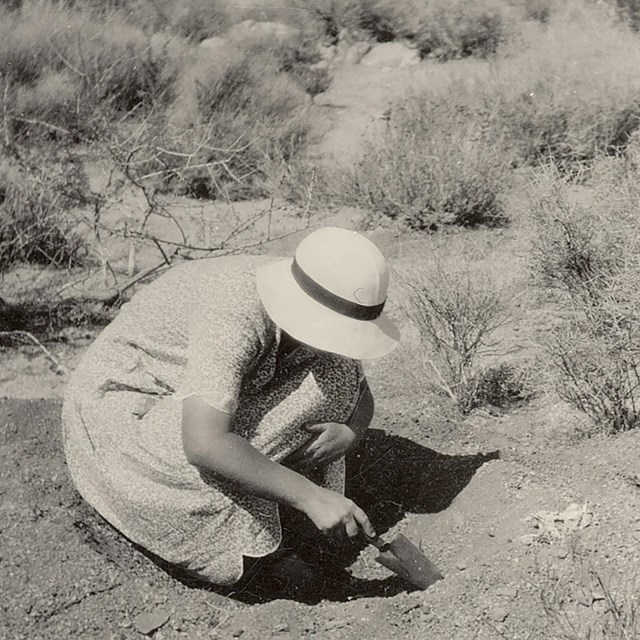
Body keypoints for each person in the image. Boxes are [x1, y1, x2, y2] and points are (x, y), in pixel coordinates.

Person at [62, 226, 400, 589]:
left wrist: (352, 432)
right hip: (127, 412)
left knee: (336, 377)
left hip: (200, 403)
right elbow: (204, 444)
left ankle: (291, 509)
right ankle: (247, 542)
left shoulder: (323, 284)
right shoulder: (235, 310)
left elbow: (357, 390)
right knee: (296, 574)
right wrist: (310, 496)